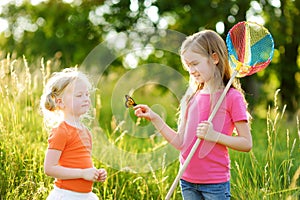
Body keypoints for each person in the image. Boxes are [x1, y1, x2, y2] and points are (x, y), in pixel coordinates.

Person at [133, 30, 252, 200]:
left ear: (214, 58)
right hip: (187, 180)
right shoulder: (191, 97)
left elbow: (246, 143)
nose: (191, 70)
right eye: (188, 65)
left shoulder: (232, 97)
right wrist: (155, 118)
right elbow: (180, 142)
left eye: (195, 63)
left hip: (215, 184)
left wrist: (214, 136)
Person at [40, 68, 107, 200]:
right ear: (60, 102)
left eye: (87, 94)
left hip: (85, 196)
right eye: (79, 95)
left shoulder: (85, 132)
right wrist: (82, 173)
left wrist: (95, 173)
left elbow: (81, 162)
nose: (86, 98)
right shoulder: (61, 131)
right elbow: (49, 168)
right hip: (66, 195)